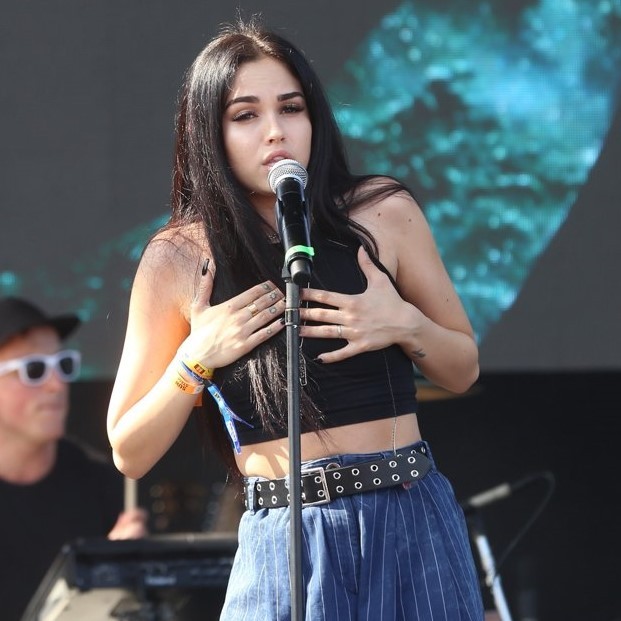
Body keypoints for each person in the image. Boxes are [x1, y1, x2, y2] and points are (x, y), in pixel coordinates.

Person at [107, 16, 484, 621]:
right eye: (245, 115)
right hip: (284, 532)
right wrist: (194, 360)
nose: (275, 133)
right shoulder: (180, 256)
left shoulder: (383, 211)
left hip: (408, 511)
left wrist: (403, 325)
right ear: (211, 132)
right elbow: (129, 448)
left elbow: (462, 366)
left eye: (292, 108)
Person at [0, 296, 147, 621]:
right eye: (34, 369)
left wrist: (119, 575)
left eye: (63, 365)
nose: (57, 384)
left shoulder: (101, 483)